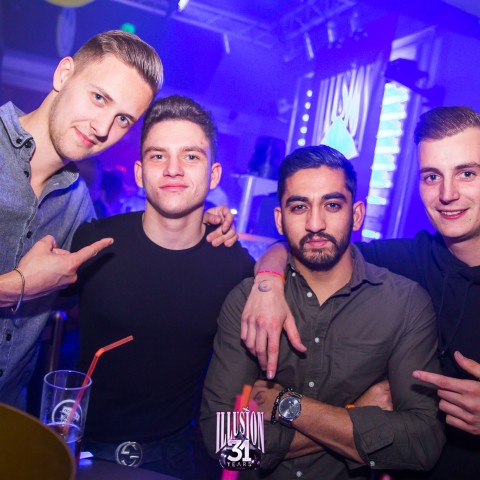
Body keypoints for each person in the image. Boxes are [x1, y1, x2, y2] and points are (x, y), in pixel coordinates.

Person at [0, 30, 235, 409]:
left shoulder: (76, 203)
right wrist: (17, 286)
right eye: (98, 98)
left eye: (123, 118)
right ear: (63, 74)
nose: (102, 128)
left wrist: (194, 217)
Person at [245, 106, 480, 479]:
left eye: (467, 173)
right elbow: (315, 244)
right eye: (432, 176)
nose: (447, 193)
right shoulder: (405, 261)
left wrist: (293, 410)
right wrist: (268, 281)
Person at [200, 145, 444, 479]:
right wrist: (355, 414)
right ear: (280, 219)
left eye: (332, 205)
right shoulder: (248, 301)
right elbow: (223, 446)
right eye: (299, 207)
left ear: (357, 214)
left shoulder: (405, 304)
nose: (315, 224)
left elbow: (422, 445)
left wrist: (288, 405)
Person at [71, 95, 255, 479]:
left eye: (191, 156)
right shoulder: (93, 243)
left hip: (176, 458)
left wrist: (272, 276)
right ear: (140, 173)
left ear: (214, 175)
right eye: (158, 156)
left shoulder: (236, 267)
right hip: (81, 449)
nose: (173, 169)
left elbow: (248, 380)